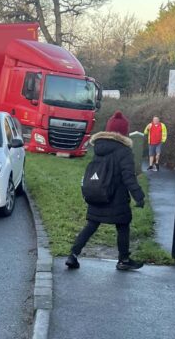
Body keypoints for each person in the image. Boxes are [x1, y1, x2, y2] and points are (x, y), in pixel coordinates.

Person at [66, 110, 146, 271]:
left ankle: (73, 255)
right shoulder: (124, 151)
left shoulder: (99, 148)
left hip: (98, 193)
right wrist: (139, 196)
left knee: (91, 225)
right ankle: (123, 260)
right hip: (117, 197)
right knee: (123, 226)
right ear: (124, 132)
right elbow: (128, 177)